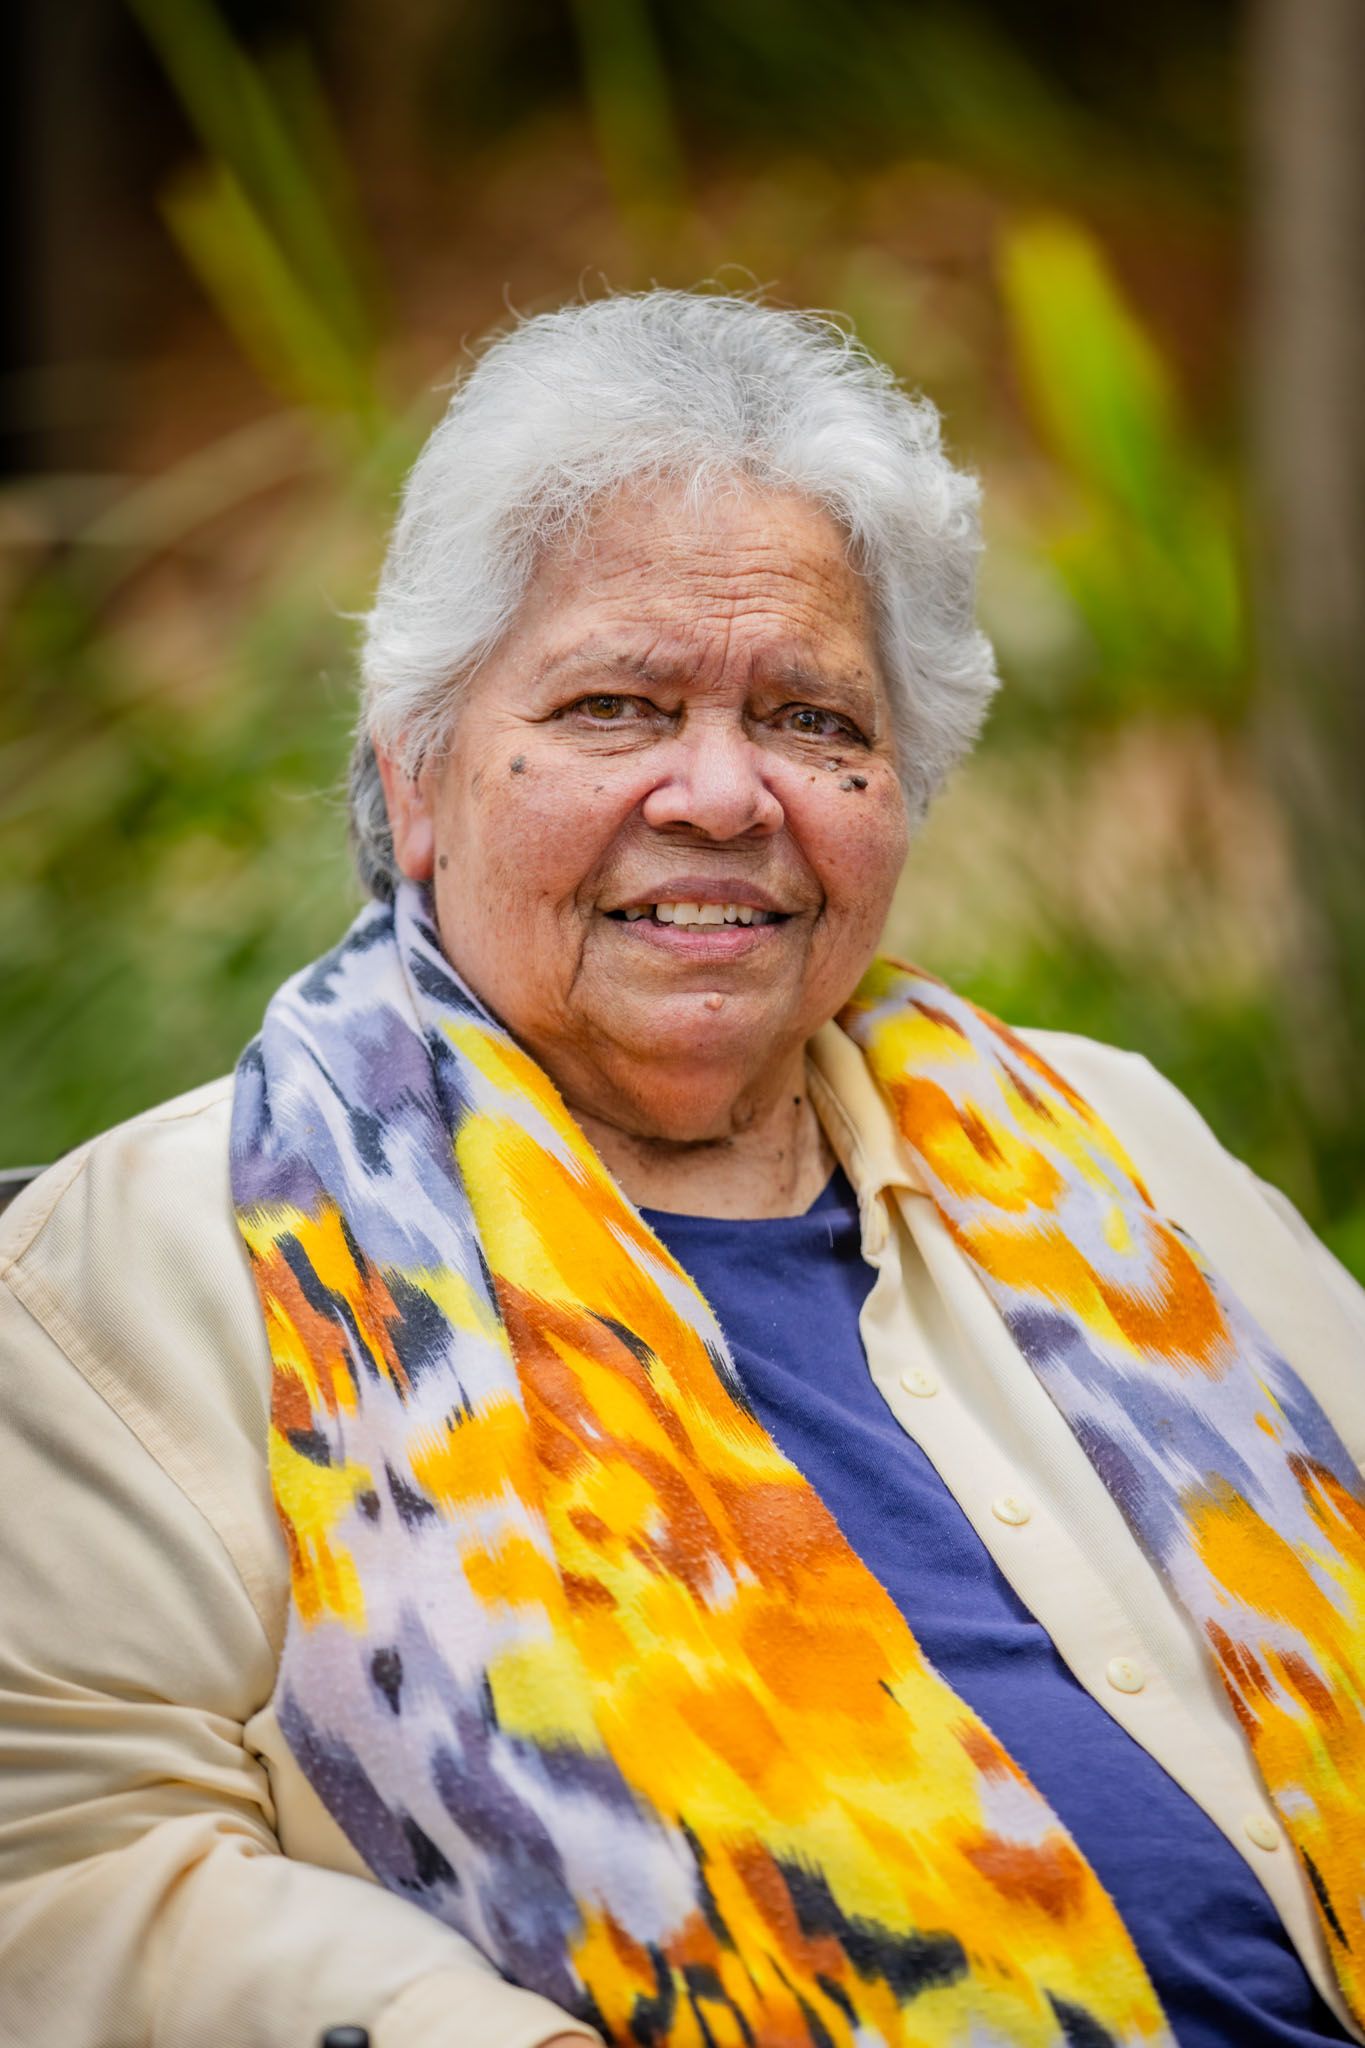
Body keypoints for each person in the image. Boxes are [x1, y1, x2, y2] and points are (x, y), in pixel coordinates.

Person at [2, 290, 1363, 2048]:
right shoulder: (154, 1265)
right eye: (615, 705)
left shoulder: (1115, 1147)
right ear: (416, 778)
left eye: (811, 720)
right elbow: (60, 1867)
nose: (721, 795)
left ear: (901, 787)